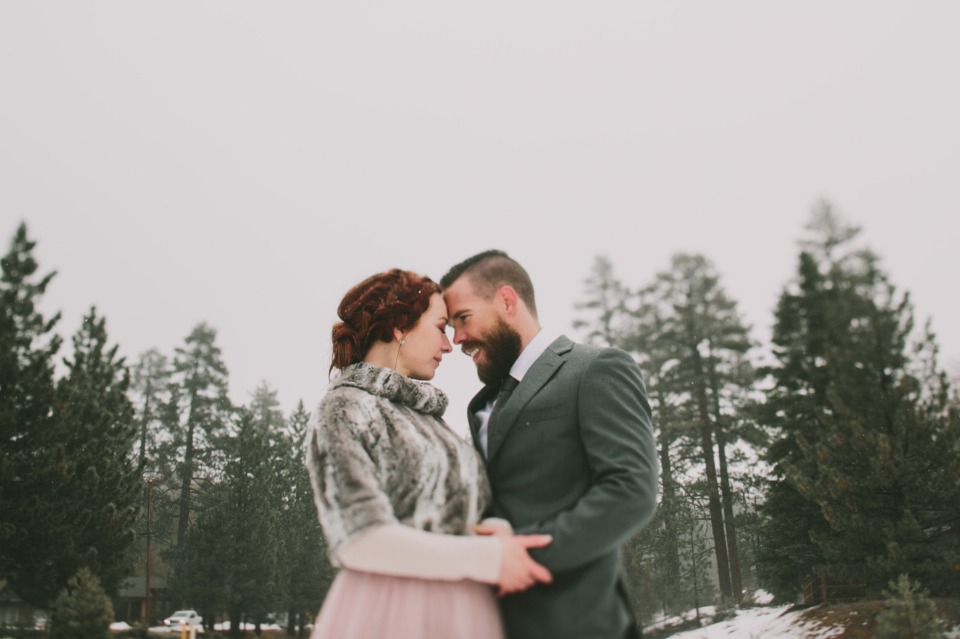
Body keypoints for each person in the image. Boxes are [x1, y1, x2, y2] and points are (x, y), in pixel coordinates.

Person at [304, 268, 553, 639]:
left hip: (466, 611)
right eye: (440, 327)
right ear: (400, 327)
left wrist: (492, 532)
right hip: (393, 613)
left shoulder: (431, 420)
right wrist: (488, 559)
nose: (450, 344)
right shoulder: (344, 409)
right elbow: (359, 540)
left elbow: (451, 516)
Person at [440, 250, 659, 639]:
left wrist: (522, 556)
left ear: (507, 301)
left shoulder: (596, 368)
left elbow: (631, 490)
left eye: (463, 318)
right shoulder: (480, 404)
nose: (457, 338)